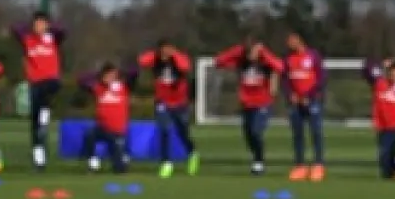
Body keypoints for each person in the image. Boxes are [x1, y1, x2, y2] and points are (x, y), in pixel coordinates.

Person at [213, 36, 284, 175]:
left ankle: (259, 161)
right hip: (246, 103)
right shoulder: (241, 58)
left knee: (256, 131)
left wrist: (262, 52)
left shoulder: (265, 60)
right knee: (248, 134)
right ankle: (256, 158)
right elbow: (219, 61)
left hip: (263, 102)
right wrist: (238, 50)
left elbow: (280, 67)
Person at [10, 12, 65, 171]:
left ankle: (45, 114)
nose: (39, 27)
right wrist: (32, 28)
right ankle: (39, 160)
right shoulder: (28, 39)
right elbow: (15, 28)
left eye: (43, 24)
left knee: (49, 89)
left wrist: (48, 28)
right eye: (37, 24)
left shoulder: (52, 38)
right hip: (35, 83)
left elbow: (63, 31)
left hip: (50, 81)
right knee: (35, 127)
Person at [137, 40, 197, 176]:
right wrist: (157, 54)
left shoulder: (179, 59)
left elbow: (185, 67)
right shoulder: (156, 60)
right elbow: (142, 61)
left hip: (180, 102)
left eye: (168, 50)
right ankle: (166, 162)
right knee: (164, 130)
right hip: (163, 102)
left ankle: (192, 153)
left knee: (182, 131)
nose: (165, 53)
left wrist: (174, 54)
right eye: (163, 50)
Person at [78, 61, 140, 173]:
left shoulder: (123, 86)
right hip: (103, 128)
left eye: (112, 75)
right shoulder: (98, 88)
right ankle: (93, 163)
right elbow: (81, 80)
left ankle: (121, 160)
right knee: (89, 135)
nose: (110, 78)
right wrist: (98, 75)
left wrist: (120, 72)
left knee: (120, 169)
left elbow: (134, 72)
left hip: (117, 131)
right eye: (107, 75)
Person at [282, 32, 327, 181]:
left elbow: (321, 78)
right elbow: (285, 79)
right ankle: (300, 165)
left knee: (316, 133)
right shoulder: (288, 59)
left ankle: (318, 165)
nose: (289, 44)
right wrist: (291, 95)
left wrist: (309, 96)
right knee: (298, 134)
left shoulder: (313, 55)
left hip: (312, 100)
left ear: (299, 41)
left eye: (291, 41)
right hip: (296, 102)